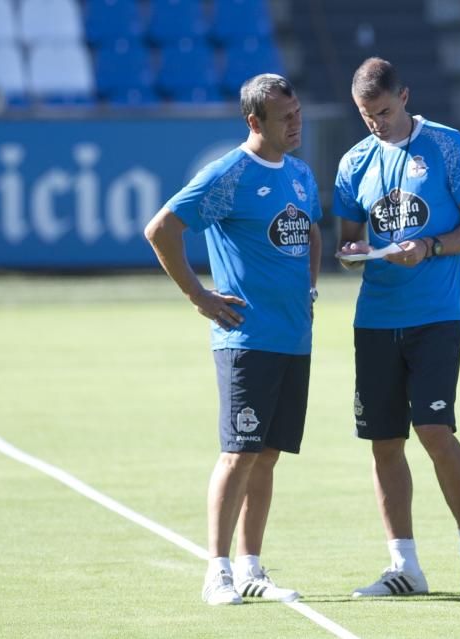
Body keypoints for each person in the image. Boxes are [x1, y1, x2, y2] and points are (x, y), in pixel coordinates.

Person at [144, 74, 322, 606]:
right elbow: (162, 229)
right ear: (254, 122)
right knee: (238, 454)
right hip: (247, 339)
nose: (296, 124)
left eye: (297, 113)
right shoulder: (228, 174)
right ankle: (216, 572)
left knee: (266, 456)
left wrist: (310, 286)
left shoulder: (300, 174)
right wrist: (199, 296)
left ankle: (251, 568)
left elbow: (310, 228)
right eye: (284, 117)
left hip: (294, 337)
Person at [333, 57, 460, 597]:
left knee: (434, 432)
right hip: (376, 318)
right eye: (364, 115)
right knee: (383, 442)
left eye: (381, 111)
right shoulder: (354, 161)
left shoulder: (447, 146)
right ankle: (405, 566)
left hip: (435, 316)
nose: (375, 123)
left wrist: (428, 246)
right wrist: (356, 251)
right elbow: (348, 240)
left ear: (404, 96)